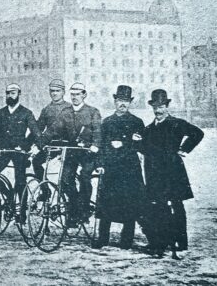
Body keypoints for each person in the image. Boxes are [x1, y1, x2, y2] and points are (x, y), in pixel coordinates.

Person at [139, 89, 203, 257]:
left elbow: (198, 133)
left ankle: (181, 242)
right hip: (154, 173)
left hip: (173, 172)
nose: (158, 110)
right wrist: (136, 141)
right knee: (159, 207)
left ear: (167, 106)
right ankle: (161, 241)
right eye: (155, 107)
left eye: (161, 106)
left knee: (176, 206)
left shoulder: (177, 123)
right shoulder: (149, 128)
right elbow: (144, 148)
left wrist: (184, 149)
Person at [92, 85, 145, 250]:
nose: (123, 104)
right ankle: (102, 238)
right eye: (120, 100)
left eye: (126, 101)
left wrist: (125, 142)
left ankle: (126, 240)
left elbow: (141, 145)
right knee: (106, 204)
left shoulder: (137, 122)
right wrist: (99, 164)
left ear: (130, 103)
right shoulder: (107, 122)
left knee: (129, 204)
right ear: (115, 101)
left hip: (130, 169)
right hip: (110, 168)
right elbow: (99, 145)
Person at [49, 83, 102, 228]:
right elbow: (54, 130)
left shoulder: (92, 112)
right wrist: (41, 144)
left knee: (85, 176)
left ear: (84, 95)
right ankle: (73, 210)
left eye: (78, 94)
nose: (75, 97)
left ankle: (84, 209)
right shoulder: (65, 112)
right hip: (72, 152)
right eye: (72, 95)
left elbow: (98, 131)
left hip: (88, 153)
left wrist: (95, 145)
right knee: (65, 179)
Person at [0, 84, 42, 223]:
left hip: (19, 151)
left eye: (13, 93)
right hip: (4, 150)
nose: (10, 96)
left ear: (19, 94)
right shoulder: (0, 113)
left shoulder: (26, 113)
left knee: (20, 181)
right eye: (8, 93)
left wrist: (37, 147)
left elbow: (35, 132)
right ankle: (9, 197)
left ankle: (22, 213)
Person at [31, 79, 71, 186]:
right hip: (52, 144)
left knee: (66, 175)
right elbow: (38, 129)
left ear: (63, 92)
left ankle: (73, 201)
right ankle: (45, 190)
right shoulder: (46, 110)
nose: (54, 93)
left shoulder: (70, 108)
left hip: (68, 145)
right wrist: (36, 144)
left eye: (57, 91)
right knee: (36, 162)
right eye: (52, 91)